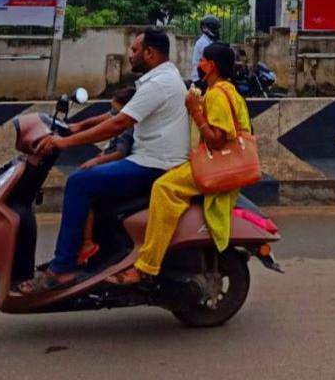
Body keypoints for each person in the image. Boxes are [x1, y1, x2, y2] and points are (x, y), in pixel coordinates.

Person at [18, 28, 189, 293]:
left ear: (150, 53)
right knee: (90, 182)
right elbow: (114, 115)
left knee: (78, 182)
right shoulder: (161, 78)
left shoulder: (160, 84)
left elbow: (118, 124)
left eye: (135, 50)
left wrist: (63, 142)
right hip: (149, 158)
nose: (130, 55)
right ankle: (92, 254)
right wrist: (75, 128)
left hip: (154, 164)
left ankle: (62, 270)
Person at [107, 41, 250, 285]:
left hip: (216, 164)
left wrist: (195, 110)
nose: (199, 63)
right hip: (215, 161)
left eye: (202, 60)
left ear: (211, 66)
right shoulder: (225, 91)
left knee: (164, 188)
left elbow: (217, 140)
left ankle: (146, 267)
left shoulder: (218, 94)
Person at [70, 87, 137, 266]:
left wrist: (98, 161)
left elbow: (120, 153)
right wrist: (79, 126)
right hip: (114, 165)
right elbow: (105, 120)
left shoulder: (126, 127)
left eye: (116, 111)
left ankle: (86, 244)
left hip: (121, 168)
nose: (112, 114)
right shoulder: (121, 120)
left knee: (82, 190)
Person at [189, 15, 221, 81]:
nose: (217, 31)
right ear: (206, 28)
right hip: (200, 79)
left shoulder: (209, 41)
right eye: (215, 28)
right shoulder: (203, 43)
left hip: (205, 76)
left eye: (217, 29)